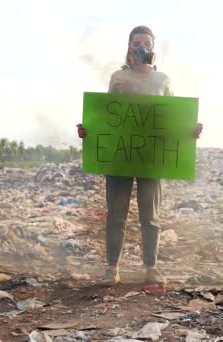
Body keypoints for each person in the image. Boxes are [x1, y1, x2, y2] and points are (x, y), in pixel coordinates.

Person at [77, 25, 203, 287]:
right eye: (136, 43)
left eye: (146, 43)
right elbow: (106, 115)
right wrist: (88, 130)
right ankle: (112, 269)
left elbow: (170, 116)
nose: (141, 48)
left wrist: (190, 131)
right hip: (119, 157)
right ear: (129, 46)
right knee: (116, 214)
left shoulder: (162, 80)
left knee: (150, 216)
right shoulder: (118, 78)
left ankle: (151, 269)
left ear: (153, 47)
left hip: (152, 157)